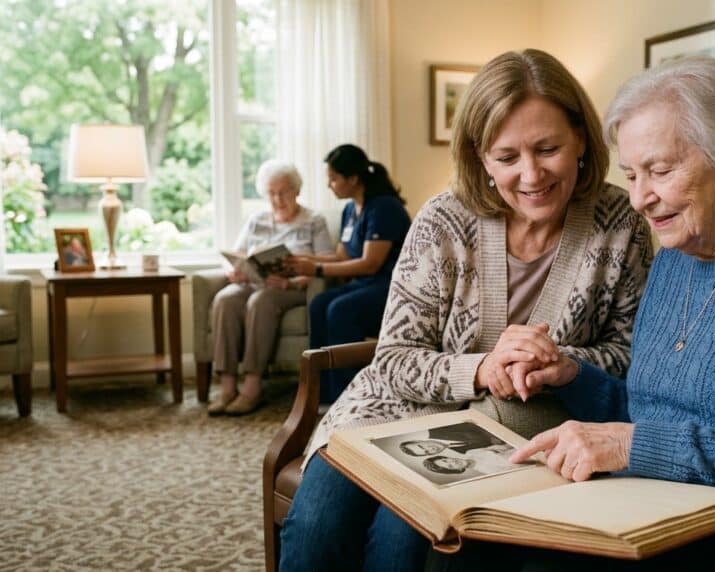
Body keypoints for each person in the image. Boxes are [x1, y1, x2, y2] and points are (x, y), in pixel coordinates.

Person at [433, 56, 715, 571]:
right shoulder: (675, 256)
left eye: (661, 170)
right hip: (658, 503)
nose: (640, 199)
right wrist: (570, 376)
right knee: (469, 541)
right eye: (631, 175)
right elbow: (653, 407)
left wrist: (632, 446)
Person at [279, 49, 653, 572]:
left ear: (583, 139)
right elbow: (393, 360)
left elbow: (631, 355)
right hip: (386, 412)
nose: (531, 174)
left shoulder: (622, 222)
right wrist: (479, 367)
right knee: (317, 528)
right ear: (481, 157)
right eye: (507, 157)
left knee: (403, 538)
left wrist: (558, 361)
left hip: (506, 428)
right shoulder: (443, 221)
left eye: (548, 148)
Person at [285, 144, 412, 402]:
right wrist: (301, 259)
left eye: (333, 179)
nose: (329, 185)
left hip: (392, 287)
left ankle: (349, 395)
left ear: (353, 179)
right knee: (320, 303)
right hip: (366, 284)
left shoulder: (384, 207)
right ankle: (321, 393)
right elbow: (343, 256)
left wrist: (316, 268)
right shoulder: (350, 210)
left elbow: (369, 264)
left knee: (340, 310)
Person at [207, 159, 333, 416]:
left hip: (291, 288)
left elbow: (327, 260)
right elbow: (239, 252)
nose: (277, 198)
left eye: (283, 191)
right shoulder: (257, 220)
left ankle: (253, 387)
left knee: (261, 300)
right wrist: (236, 270)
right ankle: (227, 386)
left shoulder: (313, 221)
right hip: (254, 282)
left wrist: (291, 279)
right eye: (271, 193)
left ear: (297, 190)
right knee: (225, 299)